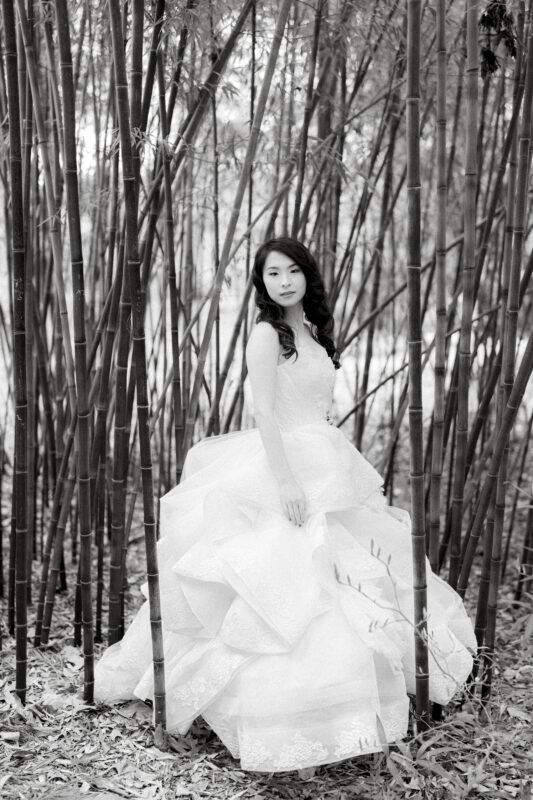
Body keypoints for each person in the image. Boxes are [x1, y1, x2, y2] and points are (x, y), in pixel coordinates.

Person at [94, 237, 476, 776]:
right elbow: (265, 412)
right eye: (273, 273)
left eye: (293, 271)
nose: (285, 281)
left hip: (325, 459)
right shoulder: (265, 335)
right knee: (287, 585)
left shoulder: (314, 333)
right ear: (262, 282)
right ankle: (278, 721)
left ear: (307, 277)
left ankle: (348, 708)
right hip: (283, 466)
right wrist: (287, 482)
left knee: (351, 577)